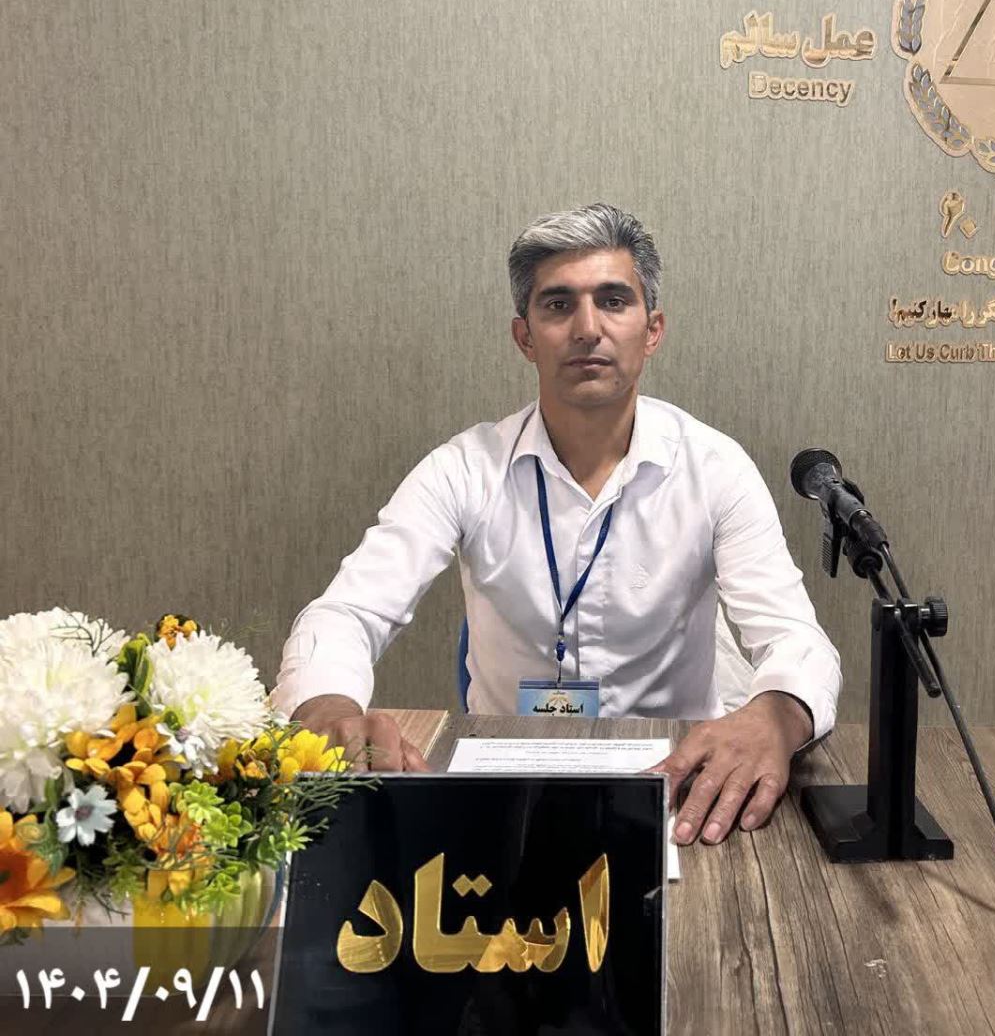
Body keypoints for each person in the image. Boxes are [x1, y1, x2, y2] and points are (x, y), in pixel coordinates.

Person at [272, 203, 841, 845]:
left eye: (614, 301)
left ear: (652, 330)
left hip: (677, 783)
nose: (588, 328)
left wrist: (778, 713)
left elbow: (796, 638)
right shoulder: (465, 468)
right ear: (524, 337)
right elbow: (346, 612)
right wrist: (327, 703)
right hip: (508, 789)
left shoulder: (714, 467)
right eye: (559, 305)